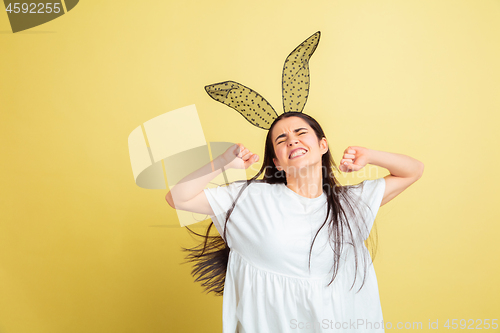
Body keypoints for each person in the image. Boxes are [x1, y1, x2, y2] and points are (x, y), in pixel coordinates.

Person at [166, 112, 424, 332]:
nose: (293, 140)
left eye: (301, 133)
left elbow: (414, 170)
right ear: (277, 161)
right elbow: (178, 197)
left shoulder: (349, 204)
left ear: (323, 145)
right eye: (282, 139)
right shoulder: (250, 199)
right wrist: (222, 162)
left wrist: (370, 155)